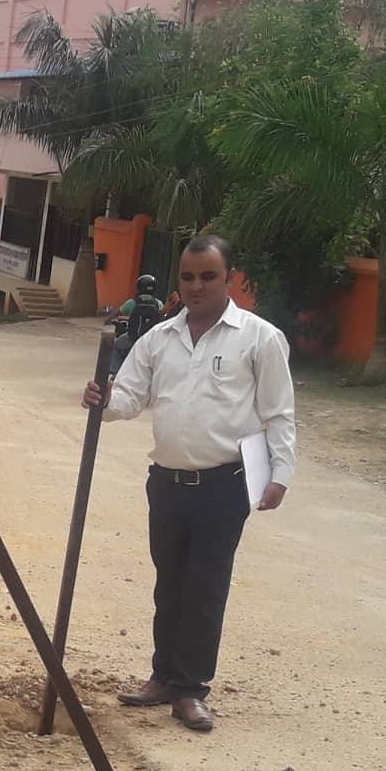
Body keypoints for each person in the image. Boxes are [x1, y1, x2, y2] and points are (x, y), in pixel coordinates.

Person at [83, 234, 296, 733]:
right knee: (170, 583)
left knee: (205, 587)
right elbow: (129, 398)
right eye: (188, 276)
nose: (197, 286)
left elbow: (279, 412)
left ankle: (190, 690)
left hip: (226, 484)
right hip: (166, 483)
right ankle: (163, 677)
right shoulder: (158, 339)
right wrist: (103, 399)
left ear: (230, 278)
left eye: (208, 276)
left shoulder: (260, 338)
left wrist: (281, 473)